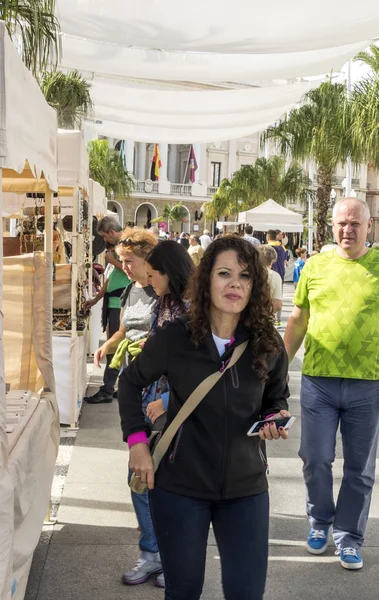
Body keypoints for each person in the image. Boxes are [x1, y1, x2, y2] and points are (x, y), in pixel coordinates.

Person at [119, 236, 291, 600]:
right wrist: (137, 443)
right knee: (183, 591)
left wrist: (275, 415)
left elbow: (275, 396)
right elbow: (130, 382)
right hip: (180, 487)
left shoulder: (266, 342)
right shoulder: (176, 337)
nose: (235, 284)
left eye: (245, 277)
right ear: (206, 280)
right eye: (224, 273)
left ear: (255, 285)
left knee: (246, 593)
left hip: (246, 489)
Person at [284, 198, 379, 571]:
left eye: (355, 223)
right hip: (318, 380)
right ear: (331, 226)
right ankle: (320, 522)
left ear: (369, 226)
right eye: (341, 223)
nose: (347, 230)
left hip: (368, 382)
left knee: (360, 468)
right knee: (315, 458)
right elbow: (297, 319)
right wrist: (277, 367)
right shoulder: (316, 266)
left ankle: (349, 537)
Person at [122, 240, 195, 589]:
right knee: (140, 478)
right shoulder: (163, 303)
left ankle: (167, 556)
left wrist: (167, 400)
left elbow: (201, 368)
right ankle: (154, 554)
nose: (149, 280)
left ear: (170, 272)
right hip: (151, 395)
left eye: (153, 274)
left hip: (179, 405)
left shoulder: (193, 308)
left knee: (166, 485)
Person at [92, 228, 158, 380]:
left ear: (147, 260)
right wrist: (106, 346)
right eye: (121, 261)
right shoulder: (129, 289)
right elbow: (123, 331)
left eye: (128, 261)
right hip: (131, 374)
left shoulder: (161, 292)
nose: (124, 266)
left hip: (153, 377)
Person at [84, 216, 131, 404]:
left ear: (112, 232)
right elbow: (110, 279)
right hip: (113, 302)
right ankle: (120, 386)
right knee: (118, 347)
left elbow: (133, 271)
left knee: (115, 347)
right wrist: (96, 299)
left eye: (105, 236)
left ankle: (108, 389)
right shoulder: (118, 248)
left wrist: (113, 260)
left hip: (121, 303)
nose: (104, 241)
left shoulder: (128, 245)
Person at [259, 245, 283, 314]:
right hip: (264, 318)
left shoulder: (247, 273)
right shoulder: (274, 276)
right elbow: (277, 305)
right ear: (272, 260)